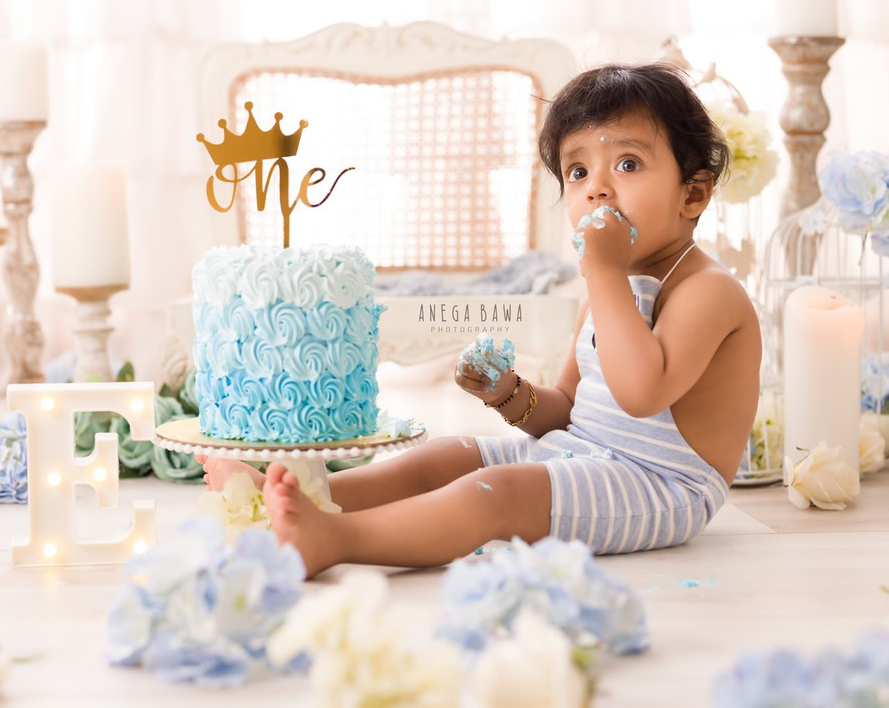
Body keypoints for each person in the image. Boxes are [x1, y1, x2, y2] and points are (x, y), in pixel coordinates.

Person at [200, 63, 761, 578]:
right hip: (579, 454)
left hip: (660, 486)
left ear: (693, 194)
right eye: (577, 171)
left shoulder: (707, 291)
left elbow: (640, 395)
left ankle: (334, 539)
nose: (597, 188)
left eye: (628, 164)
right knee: (451, 454)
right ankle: (313, 496)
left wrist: (605, 273)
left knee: (496, 492)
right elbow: (569, 410)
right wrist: (508, 394)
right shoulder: (605, 287)